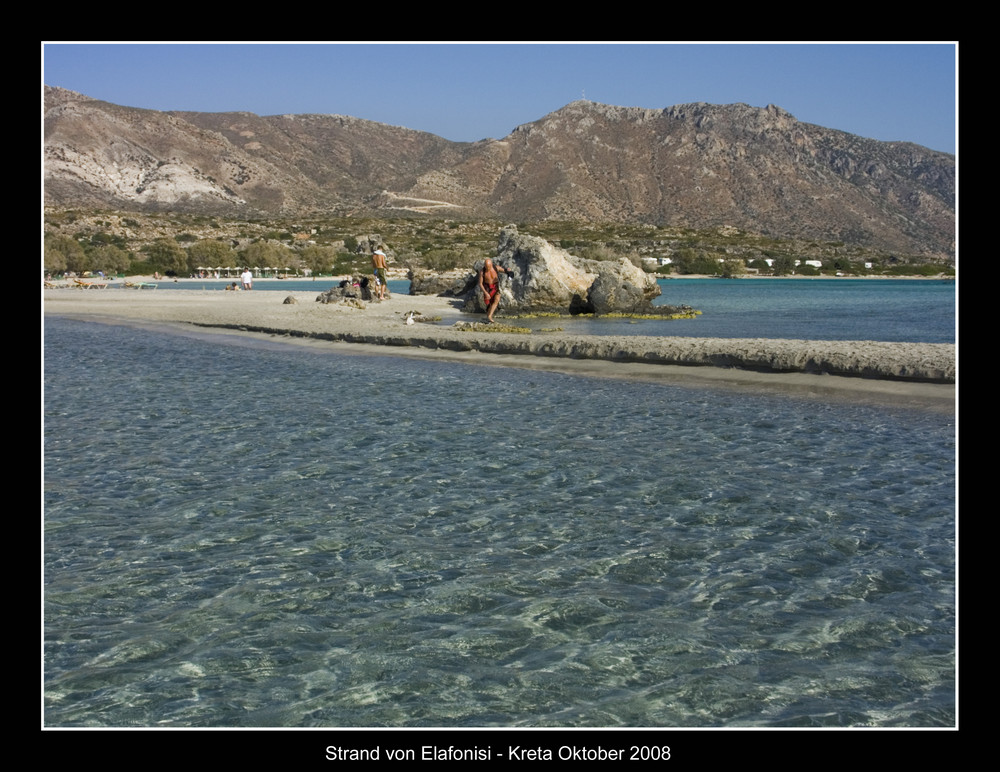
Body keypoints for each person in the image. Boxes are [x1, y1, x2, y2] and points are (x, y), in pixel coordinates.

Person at [477, 257, 514, 323]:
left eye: (488, 266)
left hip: (495, 286)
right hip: (487, 288)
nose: (487, 268)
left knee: (496, 300)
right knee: (489, 304)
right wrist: (485, 293)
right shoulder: (482, 272)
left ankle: (490, 316)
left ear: (491, 265)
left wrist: (508, 271)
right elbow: (480, 284)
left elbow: (504, 270)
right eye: (486, 266)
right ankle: (488, 317)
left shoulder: (496, 268)